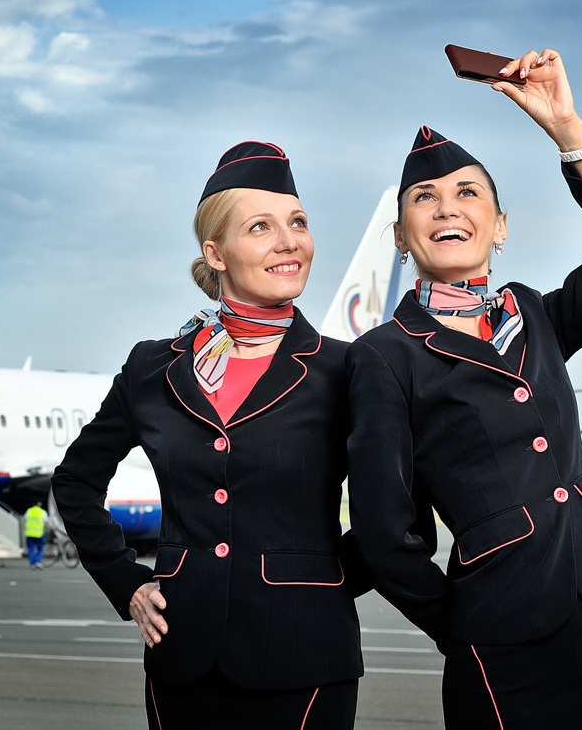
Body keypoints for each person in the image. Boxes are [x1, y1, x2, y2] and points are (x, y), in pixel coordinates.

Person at [346, 48, 582, 729]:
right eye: (424, 198)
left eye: (467, 193)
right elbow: (384, 531)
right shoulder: (386, 355)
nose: (446, 208)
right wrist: (458, 624)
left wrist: (567, 130)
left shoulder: (536, 316)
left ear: (501, 224)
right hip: (496, 634)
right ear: (400, 236)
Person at [52, 142, 361, 730]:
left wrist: (319, 583)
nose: (289, 241)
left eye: (298, 222)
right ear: (215, 254)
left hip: (305, 658)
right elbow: (75, 482)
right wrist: (126, 583)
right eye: (261, 227)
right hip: (181, 658)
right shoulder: (152, 368)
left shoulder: (346, 369)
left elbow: (398, 509)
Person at [23, 501, 47, 569]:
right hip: (39, 533)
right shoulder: (43, 512)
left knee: (31, 549)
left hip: (30, 533)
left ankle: (32, 564)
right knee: (40, 548)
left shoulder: (29, 510)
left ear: (33, 504)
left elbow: (25, 519)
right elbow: (45, 522)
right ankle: (38, 562)